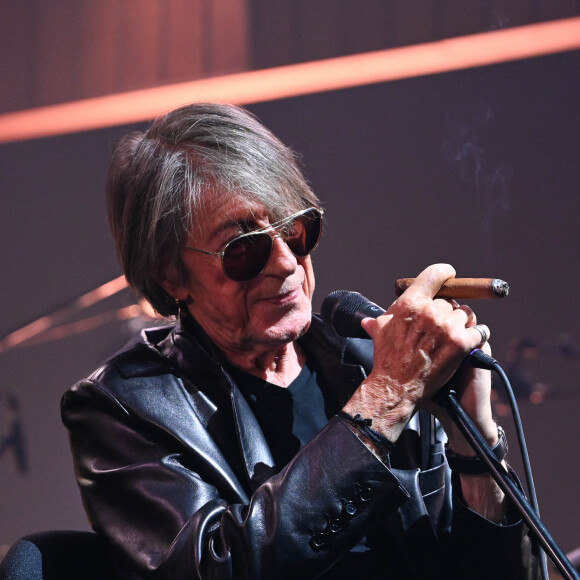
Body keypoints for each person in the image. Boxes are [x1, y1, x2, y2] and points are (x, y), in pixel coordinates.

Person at [61, 102, 538, 579]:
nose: (286, 263)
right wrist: (386, 401)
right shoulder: (122, 407)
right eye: (243, 248)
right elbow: (213, 569)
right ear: (171, 275)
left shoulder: (374, 362)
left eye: (295, 230)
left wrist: (476, 450)